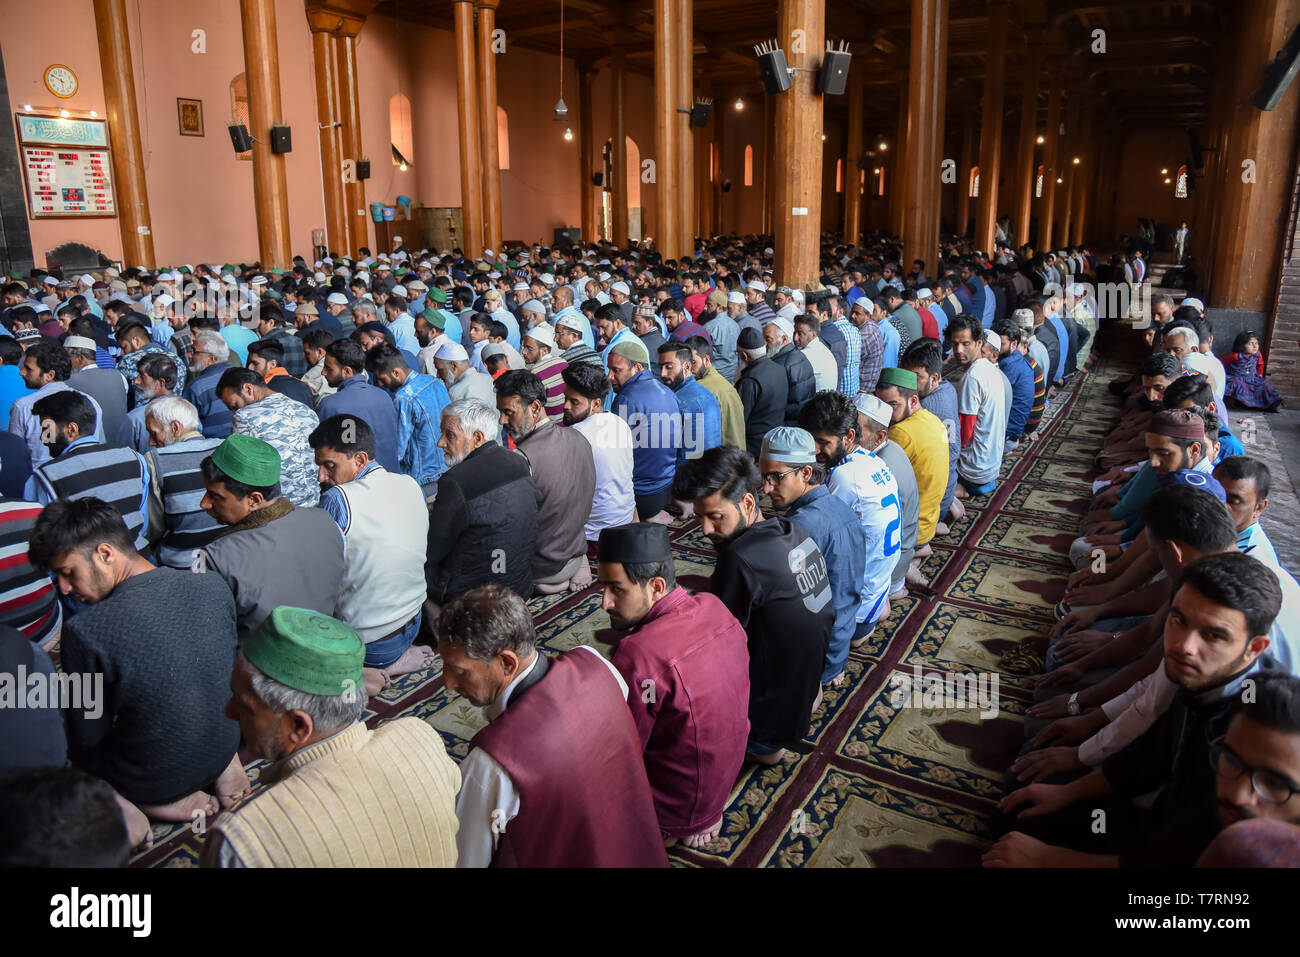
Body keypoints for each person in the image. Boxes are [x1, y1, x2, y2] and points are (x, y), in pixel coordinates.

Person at [986, 552, 1284, 867]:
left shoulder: (1248, 735)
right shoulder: (1204, 675)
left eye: (1213, 635)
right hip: (1158, 815)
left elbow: (1180, 858)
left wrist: (1049, 859)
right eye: (1179, 619)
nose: (1184, 645)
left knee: (1020, 831)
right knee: (1017, 803)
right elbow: (1149, 754)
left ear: (1254, 648)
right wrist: (1067, 793)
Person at [28, 497, 249, 825]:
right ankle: (221, 763)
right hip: (226, 741)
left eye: (67, 573)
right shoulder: (212, 586)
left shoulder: (85, 631)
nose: (63, 588)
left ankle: (148, 802)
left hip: (154, 780)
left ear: (105, 554)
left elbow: (88, 737)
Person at [201, 607, 460, 867]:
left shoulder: (245, 841)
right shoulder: (418, 738)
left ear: (299, 726)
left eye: (244, 705)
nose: (229, 711)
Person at [441, 584, 668, 867]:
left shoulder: (490, 766)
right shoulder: (600, 667)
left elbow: (466, 860)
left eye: (459, 670)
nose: (447, 683)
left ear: (507, 663)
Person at [672, 446, 833, 765]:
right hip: (805, 691)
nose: (705, 530)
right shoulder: (792, 529)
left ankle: (762, 746)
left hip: (767, 726)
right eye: (701, 517)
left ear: (747, 502)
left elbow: (712, 649)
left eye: (716, 517)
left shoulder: (739, 560)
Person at [598, 522, 750, 848]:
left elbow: (625, 750)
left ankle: (669, 829)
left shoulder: (638, 654)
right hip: (724, 777)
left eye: (616, 589)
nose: (605, 603)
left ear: (655, 586)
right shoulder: (715, 606)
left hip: (675, 805)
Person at [310, 414, 432, 697]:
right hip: (413, 621)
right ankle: (393, 658)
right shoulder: (410, 483)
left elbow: (321, 576)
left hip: (372, 644)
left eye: (329, 466)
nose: (321, 477)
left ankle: (369, 671)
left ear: (360, 460)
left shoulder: (338, 499)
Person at [198, 434, 344, 641]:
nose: (204, 504)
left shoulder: (213, 557)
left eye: (216, 496)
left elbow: (208, 635)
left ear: (254, 500)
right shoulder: (325, 520)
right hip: (324, 652)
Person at [759, 427, 866, 693]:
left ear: (806, 473)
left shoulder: (800, 527)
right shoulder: (840, 507)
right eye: (764, 477)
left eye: (776, 477)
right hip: (841, 641)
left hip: (819, 658)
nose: (766, 488)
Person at [798, 391, 902, 641]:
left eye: (823, 442)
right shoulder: (872, 460)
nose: (815, 450)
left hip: (854, 615)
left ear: (849, 436)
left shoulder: (844, 478)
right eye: (811, 440)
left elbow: (816, 541)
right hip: (876, 595)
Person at [426, 399, 540, 609]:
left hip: (478, 599)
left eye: (449, 434)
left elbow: (435, 550)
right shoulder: (519, 462)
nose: (440, 442)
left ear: (477, 437)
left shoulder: (454, 481)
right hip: (519, 585)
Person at [495, 370, 596, 593]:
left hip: (545, 565)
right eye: (500, 412)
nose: (502, 420)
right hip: (575, 548)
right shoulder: (578, 438)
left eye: (508, 412)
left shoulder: (521, 459)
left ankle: (545, 582)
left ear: (535, 407)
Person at [26, 390, 152, 552]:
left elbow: (42, 542)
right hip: (138, 556)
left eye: (47, 430)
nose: (43, 438)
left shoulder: (45, 478)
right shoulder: (135, 458)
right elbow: (142, 523)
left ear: (71, 429)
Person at [218, 367, 322, 507]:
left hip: (278, 510)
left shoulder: (245, 417)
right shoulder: (306, 411)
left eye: (234, 406)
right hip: (315, 503)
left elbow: (239, 472)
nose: (234, 412)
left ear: (248, 389)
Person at [142, 395, 224, 569]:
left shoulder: (156, 459)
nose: (150, 441)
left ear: (175, 428)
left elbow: (154, 528)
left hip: (181, 562)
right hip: (224, 558)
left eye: (153, 433)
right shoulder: (224, 447)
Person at [607, 338, 681, 523]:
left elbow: (615, 456)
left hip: (642, 495)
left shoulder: (626, 399)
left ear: (637, 368)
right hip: (666, 488)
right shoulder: (667, 391)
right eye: (609, 369)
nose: (609, 376)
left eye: (616, 370)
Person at [874, 367, 949, 551]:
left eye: (892, 405)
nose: (885, 414)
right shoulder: (933, 419)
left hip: (911, 531)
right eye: (880, 406)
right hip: (929, 522)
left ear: (913, 401)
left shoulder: (901, 433)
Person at [561, 361, 635, 542]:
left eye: (574, 402)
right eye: (565, 399)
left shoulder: (574, 436)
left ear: (595, 404)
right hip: (625, 519)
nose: (565, 406)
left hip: (594, 536)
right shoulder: (619, 422)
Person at [364, 342, 450, 498]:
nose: (381, 384)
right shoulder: (435, 382)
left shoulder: (404, 398)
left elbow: (398, 450)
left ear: (396, 372)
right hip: (447, 467)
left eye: (381, 379)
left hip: (422, 478)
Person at [10, 340, 105, 467]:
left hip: (39, 481)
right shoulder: (90, 402)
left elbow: (15, 456)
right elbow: (99, 447)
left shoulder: (23, 406)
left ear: (50, 375)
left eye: (28, 368)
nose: (21, 372)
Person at [317, 339, 400, 473]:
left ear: (347, 371)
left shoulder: (330, 405)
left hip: (355, 484)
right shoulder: (384, 397)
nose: (323, 372)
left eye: (328, 368)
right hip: (389, 478)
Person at [949, 314, 1007, 497]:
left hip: (973, 472)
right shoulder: (991, 368)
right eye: (955, 344)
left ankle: (956, 491)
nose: (959, 350)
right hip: (991, 467)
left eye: (966, 344)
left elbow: (964, 434)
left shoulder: (972, 377)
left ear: (979, 343)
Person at [657, 341, 722, 461]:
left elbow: (690, 457)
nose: (662, 373)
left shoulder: (682, 401)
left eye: (669, 367)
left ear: (686, 366)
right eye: (660, 367)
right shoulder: (706, 394)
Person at [734, 327, 788, 459]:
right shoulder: (780, 369)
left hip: (754, 446)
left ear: (744, 356)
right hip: (775, 439)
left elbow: (740, 419)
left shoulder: (749, 380)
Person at [685, 336, 746, 451]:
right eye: (685, 363)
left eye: (693, 362)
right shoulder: (725, 384)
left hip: (721, 460)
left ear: (706, 359)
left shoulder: (700, 389)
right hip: (736, 457)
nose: (688, 369)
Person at [64, 334, 127, 443]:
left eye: (68, 359)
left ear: (81, 358)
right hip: (122, 445)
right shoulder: (119, 376)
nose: (66, 363)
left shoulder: (68, 383)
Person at [184, 330, 235, 438]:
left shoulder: (196, 387)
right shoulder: (241, 374)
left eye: (194, 351)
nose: (189, 355)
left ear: (212, 358)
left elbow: (187, 429)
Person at [1222, 330, 1282, 412]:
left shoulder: (1258, 355)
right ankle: (1234, 403)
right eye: (1250, 344)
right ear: (1241, 346)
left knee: (1264, 386)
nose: (1254, 346)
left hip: (1252, 378)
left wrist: (1260, 374)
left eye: (1256, 343)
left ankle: (1270, 404)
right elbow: (1221, 362)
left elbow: (1260, 364)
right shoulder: (1236, 356)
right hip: (1238, 377)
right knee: (1235, 384)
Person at [246, 338, 315, 408]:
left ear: (272, 364)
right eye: (249, 363)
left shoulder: (262, 391)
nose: (250, 367)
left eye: (255, 364)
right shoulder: (304, 386)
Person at [793, 314, 839, 393]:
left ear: (813, 335)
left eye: (800, 334)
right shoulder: (821, 347)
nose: (795, 338)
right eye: (795, 332)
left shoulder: (803, 356)